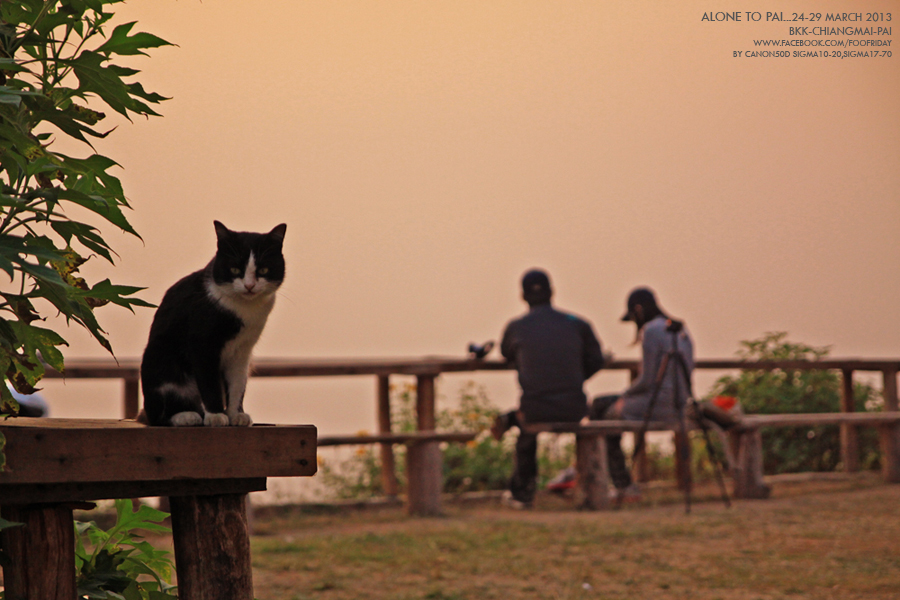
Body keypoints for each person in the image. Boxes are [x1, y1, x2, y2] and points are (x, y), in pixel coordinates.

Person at [493, 269, 605, 508]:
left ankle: (522, 493)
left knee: (525, 425)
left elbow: (506, 353)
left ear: (523, 296)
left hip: (535, 409)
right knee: (527, 416)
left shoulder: (516, 327)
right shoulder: (578, 324)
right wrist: (575, 377)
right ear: (552, 292)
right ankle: (591, 486)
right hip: (575, 408)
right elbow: (597, 360)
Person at [590, 287, 693, 501]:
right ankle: (617, 481)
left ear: (638, 310)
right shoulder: (682, 331)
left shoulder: (651, 331)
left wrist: (624, 395)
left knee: (602, 411)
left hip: (656, 404)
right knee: (605, 406)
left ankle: (619, 483)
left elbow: (647, 380)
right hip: (680, 404)